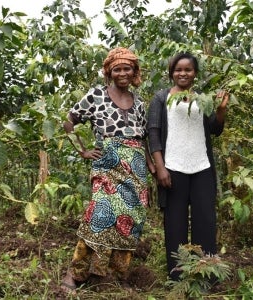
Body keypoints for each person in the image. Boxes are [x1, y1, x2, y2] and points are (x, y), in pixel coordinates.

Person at [61, 47, 155, 293]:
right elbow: (68, 122)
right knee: (99, 218)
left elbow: (142, 139)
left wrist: (151, 164)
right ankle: (75, 274)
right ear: (109, 72)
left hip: (136, 170)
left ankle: (116, 275)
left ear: (134, 71)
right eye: (117, 69)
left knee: (131, 222)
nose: (122, 73)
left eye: (127, 68)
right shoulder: (96, 96)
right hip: (107, 166)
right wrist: (82, 150)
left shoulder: (140, 103)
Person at [147, 52, 229, 281]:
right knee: (175, 224)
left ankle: (207, 274)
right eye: (178, 70)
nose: (183, 74)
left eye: (188, 70)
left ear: (195, 73)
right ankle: (178, 276)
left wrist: (221, 110)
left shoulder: (202, 98)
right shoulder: (161, 98)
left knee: (205, 221)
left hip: (201, 167)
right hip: (173, 169)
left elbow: (215, 129)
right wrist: (160, 168)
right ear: (171, 72)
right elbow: (153, 133)